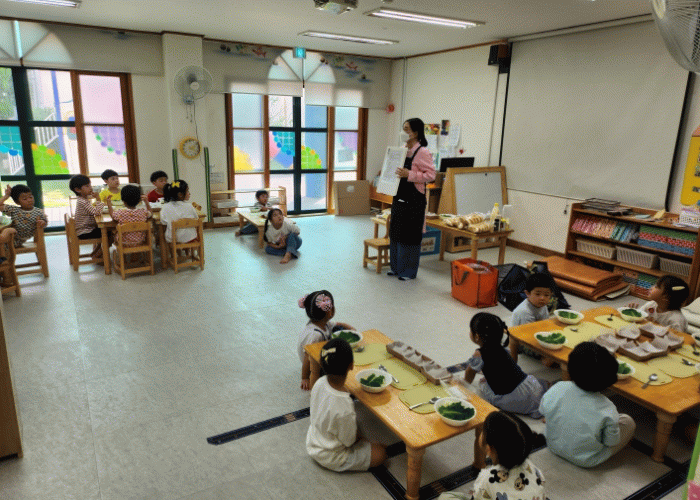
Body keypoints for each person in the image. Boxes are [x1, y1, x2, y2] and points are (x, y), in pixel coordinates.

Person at [539, 341, 636, 468]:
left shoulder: (558, 387)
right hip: (587, 459)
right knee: (628, 422)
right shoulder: (607, 408)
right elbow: (611, 442)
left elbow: (543, 410)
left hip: (553, 445)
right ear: (609, 379)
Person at [306, 337, 387, 472]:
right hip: (332, 456)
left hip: (313, 440)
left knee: (355, 426)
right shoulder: (344, 408)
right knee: (380, 454)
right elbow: (349, 441)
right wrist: (364, 441)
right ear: (351, 365)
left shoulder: (319, 382)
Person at [438, 411, 547, 500]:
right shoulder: (533, 469)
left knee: (445, 497)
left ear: (489, 449)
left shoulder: (488, 478)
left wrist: (479, 491)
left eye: (483, 431)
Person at [464, 313, 549, 418]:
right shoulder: (504, 347)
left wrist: (463, 386)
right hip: (531, 387)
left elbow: (469, 373)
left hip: (516, 398)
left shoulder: (479, 354)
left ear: (476, 336)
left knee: (482, 384)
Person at [389, 118, 436, 281]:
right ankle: (396, 268)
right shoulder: (402, 149)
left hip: (414, 200)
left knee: (410, 235)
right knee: (396, 233)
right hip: (399, 197)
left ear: (415, 133)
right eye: (403, 128)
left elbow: (431, 175)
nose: (403, 132)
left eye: (407, 129)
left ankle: (408, 272)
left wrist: (410, 174)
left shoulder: (422, 152)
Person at [297, 290, 355, 391]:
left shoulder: (323, 322)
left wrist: (352, 330)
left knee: (338, 329)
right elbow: (307, 357)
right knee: (340, 366)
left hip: (318, 349)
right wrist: (305, 378)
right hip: (312, 361)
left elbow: (339, 324)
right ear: (329, 312)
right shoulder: (316, 335)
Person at [69, 174, 109, 259]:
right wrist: (98, 199)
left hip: (85, 230)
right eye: (87, 186)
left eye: (90, 185)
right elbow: (97, 212)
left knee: (105, 230)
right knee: (109, 233)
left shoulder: (82, 199)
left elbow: (94, 211)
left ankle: (95, 252)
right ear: (78, 190)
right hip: (85, 232)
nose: (91, 188)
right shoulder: (83, 202)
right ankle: (98, 254)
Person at [107, 184, 152, 251]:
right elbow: (151, 213)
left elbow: (112, 215)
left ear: (123, 200)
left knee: (111, 233)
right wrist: (147, 202)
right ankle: (135, 256)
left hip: (123, 243)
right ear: (139, 200)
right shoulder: (143, 212)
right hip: (140, 241)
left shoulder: (120, 213)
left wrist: (109, 205)